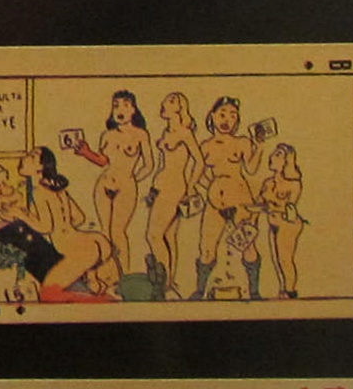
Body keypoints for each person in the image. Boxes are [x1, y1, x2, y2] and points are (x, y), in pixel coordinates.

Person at [0, 152, 117, 300]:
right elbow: (79, 217)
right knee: (89, 287)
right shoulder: (55, 188)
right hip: (93, 241)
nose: (24, 158)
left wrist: (27, 217)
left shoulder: (38, 192)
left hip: (75, 249)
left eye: (32, 156)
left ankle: (101, 298)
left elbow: (46, 228)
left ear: (40, 168)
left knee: (48, 293)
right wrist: (62, 225)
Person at [67, 90, 155, 293]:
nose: (120, 110)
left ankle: (124, 278)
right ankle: (108, 277)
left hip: (126, 188)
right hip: (103, 186)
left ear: (133, 109)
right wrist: (86, 152)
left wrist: (132, 179)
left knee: (118, 233)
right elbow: (103, 161)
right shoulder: (108, 135)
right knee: (106, 233)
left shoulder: (141, 135)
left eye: (125, 105)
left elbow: (149, 164)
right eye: (116, 106)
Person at [192, 98, 265, 301]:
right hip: (215, 205)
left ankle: (254, 291)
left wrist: (259, 146)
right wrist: (210, 191)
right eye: (222, 114)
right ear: (212, 116)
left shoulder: (242, 142)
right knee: (207, 249)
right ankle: (200, 291)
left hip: (240, 200)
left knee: (247, 246)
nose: (227, 120)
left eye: (232, 115)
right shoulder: (205, 146)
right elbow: (198, 175)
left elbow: (251, 168)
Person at [144, 89, 200, 298]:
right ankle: (168, 283)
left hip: (174, 187)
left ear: (178, 107)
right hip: (162, 186)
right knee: (168, 236)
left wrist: (191, 186)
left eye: (169, 101)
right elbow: (163, 164)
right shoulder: (167, 132)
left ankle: (163, 281)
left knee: (153, 235)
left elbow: (200, 161)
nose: (164, 104)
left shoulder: (185, 133)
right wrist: (153, 188)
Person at [261, 142, 306, 298]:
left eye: (278, 154)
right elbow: (261, 203)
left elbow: (289, 208)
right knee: (276, 260)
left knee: (285, 259)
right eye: (274, 153)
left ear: (287, 161)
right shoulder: (268, 183)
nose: (272, 157)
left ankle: (290, 291)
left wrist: (273, 205)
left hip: (287, 225)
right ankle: (282, 289)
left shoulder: (294, 184)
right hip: (272, 223)